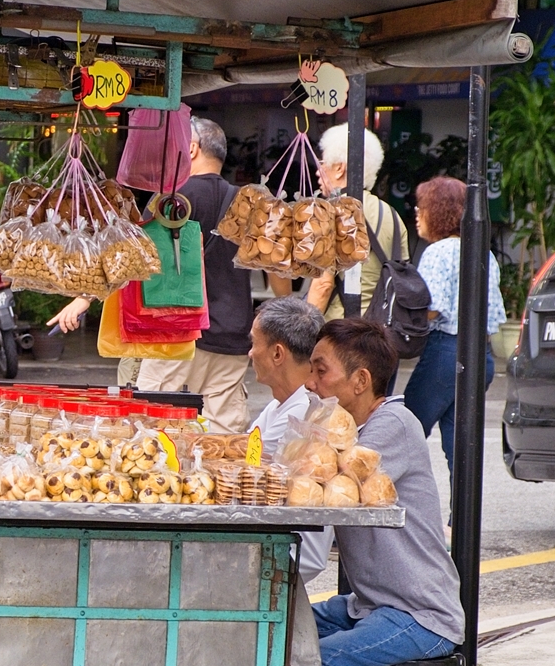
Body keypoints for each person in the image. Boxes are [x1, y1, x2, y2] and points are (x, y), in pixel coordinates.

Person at [299, 319, 464, 666]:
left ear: (360, 380)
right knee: (282, 624)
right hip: (370, 606)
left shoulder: (388, 428)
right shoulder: (348, 429)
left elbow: (324, 484)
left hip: (419, 613)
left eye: (321, 371)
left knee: (322, 662)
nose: (312, 383)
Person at [132, 116, 254, 432]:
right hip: (231, 335)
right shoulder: (247, 203)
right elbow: (273, 268)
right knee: (223, 442)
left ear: (191, 148)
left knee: (155, 433)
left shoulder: (171, 200)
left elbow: (139, 261)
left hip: (177, 334)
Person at [403, 176, 506, 479]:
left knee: (404, 433)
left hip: (446, 352)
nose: (416, 214)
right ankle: (457, 522)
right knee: (459, 446)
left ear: (437, 210)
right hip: (481, 355)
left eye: (421, 207)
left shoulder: (438, 252)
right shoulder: (483, 253)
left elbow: (433, 308)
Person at [275, 126, 406, 319]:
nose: (318, 172)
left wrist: (303, 330)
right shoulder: (392, 215)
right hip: (382, 330)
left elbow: (324, 285)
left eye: (322, 163)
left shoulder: (329, 213)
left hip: (340, 330)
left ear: (339, 169)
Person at [246, 296, 331, 581]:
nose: (250, 353)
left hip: (287, 554)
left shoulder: (302, 413)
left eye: (254, 343)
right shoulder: (281, 404)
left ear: (277, 353)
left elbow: (249, 470)